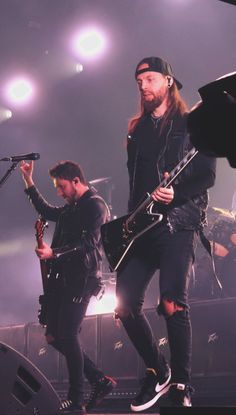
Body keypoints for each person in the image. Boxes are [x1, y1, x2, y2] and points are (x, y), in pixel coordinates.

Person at [115, 56, 216, 409]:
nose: (143, 86)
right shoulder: (135, 130)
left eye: (151, 79)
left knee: (171, 303)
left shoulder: (192, 125)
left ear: (169, 82)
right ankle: (159, 372)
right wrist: (128, 226)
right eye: (139, 80)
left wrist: (178, 193)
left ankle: (183, 383)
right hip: (143, 228)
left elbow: (207, 177)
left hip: (178, 222)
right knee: (124, 307)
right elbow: (135, 182)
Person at [20, 160, 116, 414]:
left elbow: (88, 244)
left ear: (76, 181)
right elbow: (46, 209)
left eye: (62, 187)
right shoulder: (71, 207)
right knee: (53, 336)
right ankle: (98, 379)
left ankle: (76, 400)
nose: (60, 193)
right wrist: (29, 180)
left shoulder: (95, 206)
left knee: (68, 335)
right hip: (63, 279)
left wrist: (54, 253)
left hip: (83, 280)